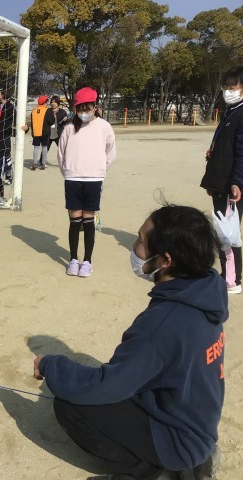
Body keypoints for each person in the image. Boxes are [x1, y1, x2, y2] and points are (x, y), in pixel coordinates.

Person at [33, 204, 225, 480]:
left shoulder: (163, 324)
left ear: (165, 260)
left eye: (140, 240)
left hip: (180, 439)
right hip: (198, 425)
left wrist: (51, 365)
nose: (134, 247)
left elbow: (105, 386)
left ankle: (161, 474)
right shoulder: (204, 294)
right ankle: (196, 458)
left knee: (70, 406)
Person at [58, 87, 116, 278]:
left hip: (93, 179)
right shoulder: (69, 128)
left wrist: (99, 171)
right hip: (73, 178)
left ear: (95, 106)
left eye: (87, 108)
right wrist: (68, 171)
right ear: (75, 108)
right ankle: (73, 259)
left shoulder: (104, 127)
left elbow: (110, 152)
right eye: (80, 108)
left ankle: (87, 261)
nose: (84, 112)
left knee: (89, 220)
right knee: (75, 220)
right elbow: (61, 153)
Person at [200, 65, 243, 295]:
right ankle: (228, 273)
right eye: (225, 87)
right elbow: (225, 146)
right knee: (222, 230)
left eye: (233, 87)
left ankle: (232, 280)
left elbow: (241, 152)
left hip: (230, 185)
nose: (228, 91)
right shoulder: (231, 112)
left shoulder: (241, 114)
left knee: (228, 232)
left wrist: (236, 181)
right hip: (221, 182)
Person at [22, 95, 54, 170]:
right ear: (45, 102)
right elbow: (51, 121)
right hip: (45, 132)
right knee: (44, 147)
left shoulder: (33, 110)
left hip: (35, 132)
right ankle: (43, 163)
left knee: (36, 148)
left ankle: (35, 163)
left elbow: (32, 122)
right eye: (47, 101)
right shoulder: (48, 110)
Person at [0, 88, 16, 184]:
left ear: (3, 95)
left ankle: (8, 175)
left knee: (6, 153)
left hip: (6, 132)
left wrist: (14, 130)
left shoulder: (10, 106)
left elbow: (14, 119)